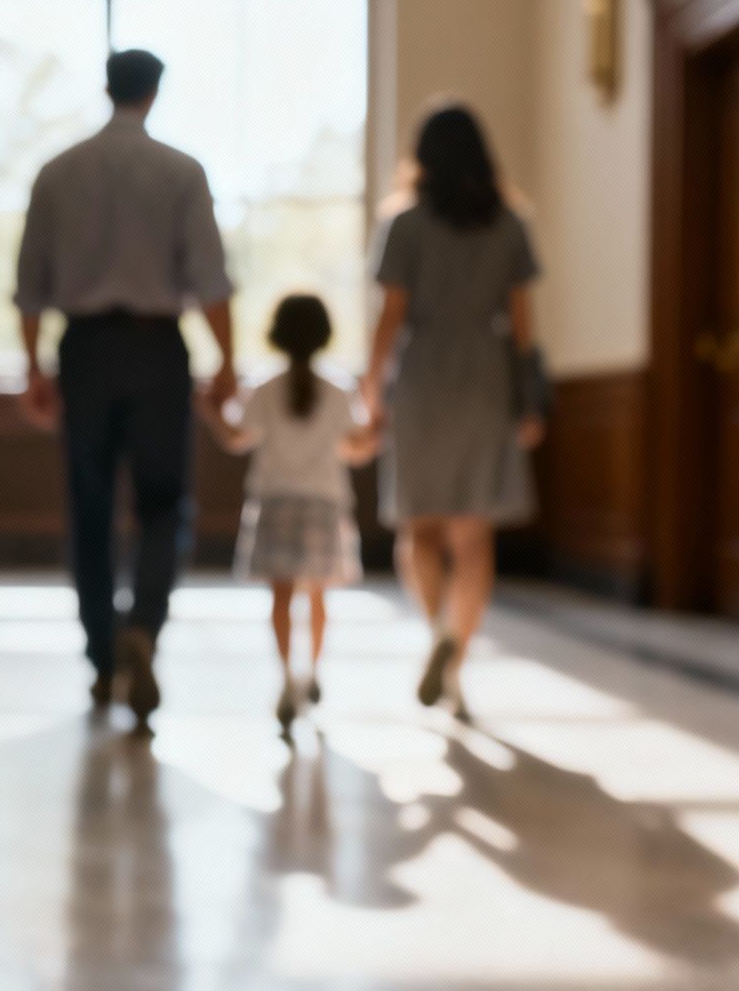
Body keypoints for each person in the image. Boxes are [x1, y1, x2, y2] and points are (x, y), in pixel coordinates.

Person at [14, 48, 236, 720]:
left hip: (83, 350)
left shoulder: (57, 172)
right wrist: (226, 359)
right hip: (157, 348)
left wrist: (33, 368)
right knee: (166, 501)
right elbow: (210, 279)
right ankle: (144, 623)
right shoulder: (181, 171)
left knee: (89, 506)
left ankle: (103, 656)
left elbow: (29, 286)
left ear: (106, 88)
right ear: (154, 92)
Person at [361, 103, 545, 719]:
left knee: (419, 525)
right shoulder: (510, 224)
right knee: (473, 533)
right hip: (486, 379)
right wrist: (531, 398)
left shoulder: (404, 224)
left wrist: (371, 387)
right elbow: (522, 325)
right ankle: (458, 658)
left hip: (422, 380)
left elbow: (391, 315)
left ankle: (438, 630)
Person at [200, 294, 376, 735]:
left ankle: (285, 677)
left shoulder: (263, 388)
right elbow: (354, 449)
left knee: (280, 597)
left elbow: (238, 438)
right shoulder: (338, 391)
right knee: (317, 595)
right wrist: (374, 437)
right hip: (323, 503)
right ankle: (312, 672)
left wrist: (211, 413)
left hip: (275, 502)